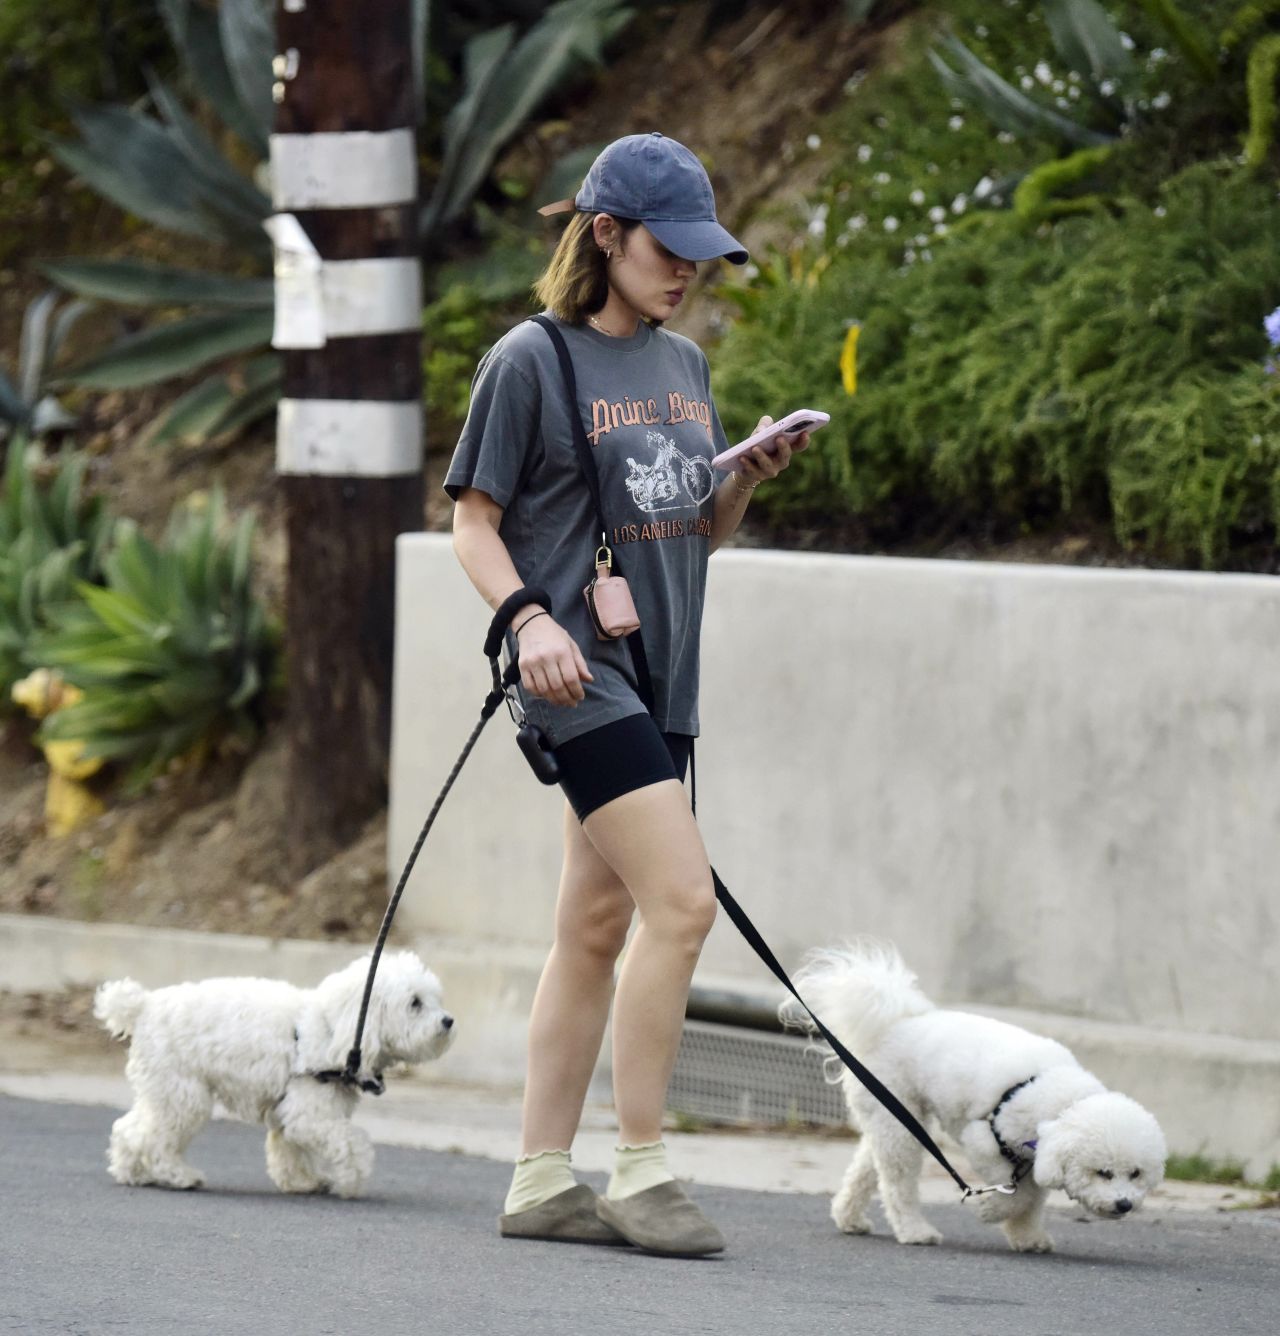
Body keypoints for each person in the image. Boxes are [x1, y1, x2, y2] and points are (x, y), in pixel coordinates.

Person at [444, 132, 807, 1257]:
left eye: (701, 252)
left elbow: (689, 531)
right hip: (575, 676)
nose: (687, 269)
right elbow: (471, 523)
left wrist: (739, 478)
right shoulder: (529, 360)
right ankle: (641, 1168)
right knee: (682, 905)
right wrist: (526, 619)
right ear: (605, 235)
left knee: (594, 921)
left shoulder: (681, 367)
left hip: (661, 676)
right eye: (669, 247)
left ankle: (539, 1179)